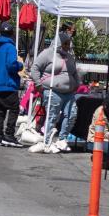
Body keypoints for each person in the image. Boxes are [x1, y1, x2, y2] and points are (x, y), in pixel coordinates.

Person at [28, 23, 80, 153]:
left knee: (71, 114)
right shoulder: (47, 53)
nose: (68, 46)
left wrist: (77, 84)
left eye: (69, 44)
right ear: (59, 43)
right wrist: (38, 84)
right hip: (52, 91)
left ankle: (62, 139)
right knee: (53, 116)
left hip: (69, 92)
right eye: (65, 44)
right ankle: (47, 141)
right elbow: (35, 68)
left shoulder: (69, 57)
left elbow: (74, 73)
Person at [0, 20, 25, 148]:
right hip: (9, 83)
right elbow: (11, 65)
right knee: (14, 108)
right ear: (11, 34)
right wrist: (20, 66)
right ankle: (9, 135)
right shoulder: (10, 47)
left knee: (0, 110)